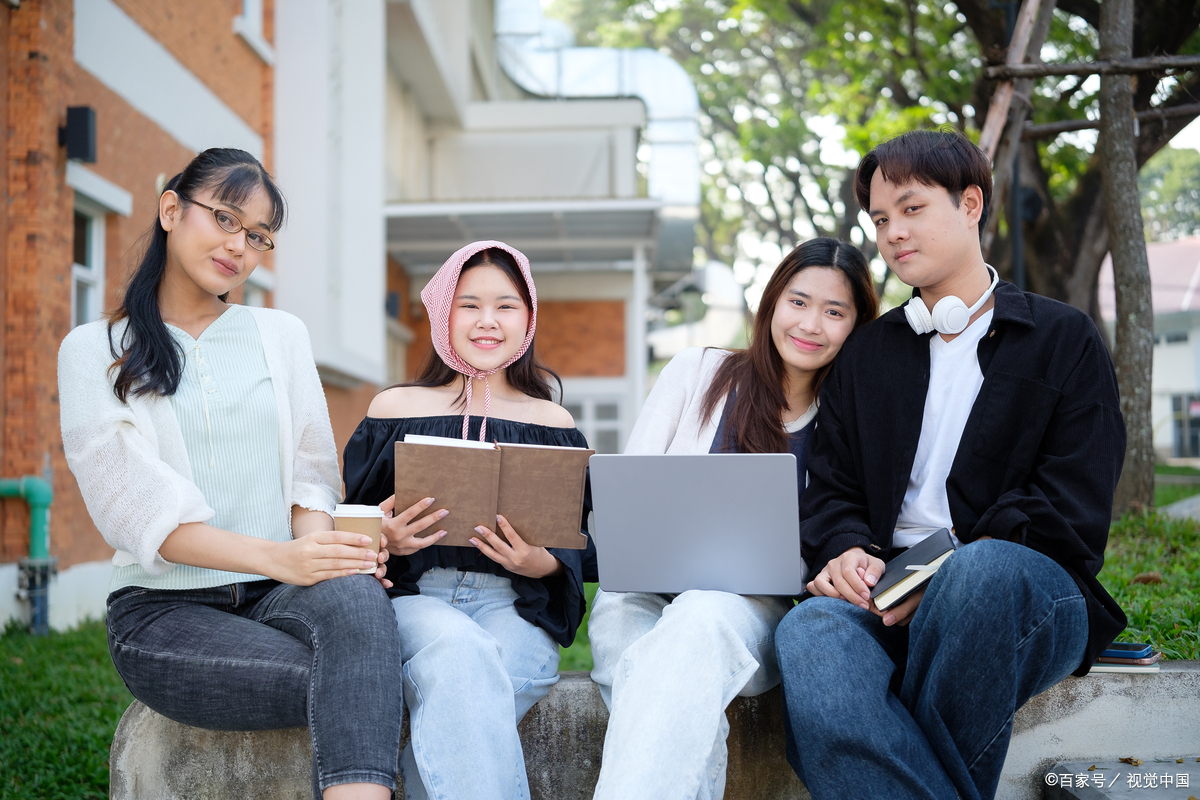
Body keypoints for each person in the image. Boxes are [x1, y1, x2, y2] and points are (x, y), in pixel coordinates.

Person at [775, 130, 1128, 800]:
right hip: (885, 591)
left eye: (911, 209)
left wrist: (941, 572)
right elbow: (834, 488)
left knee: (980, 573)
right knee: (811, 629)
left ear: (971, 204)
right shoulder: (868, 355)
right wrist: (847, 549)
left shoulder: (1063, 339)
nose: (892, 233)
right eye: (880, 219)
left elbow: (1073, 509)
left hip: (1022, 587)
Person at [58, 149, 403, 800]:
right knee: (366, 675)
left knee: (359, 600)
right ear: (170, 209)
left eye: (258, 237)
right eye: (224, 217)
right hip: (164, 612)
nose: (238, 245)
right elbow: (141, 515)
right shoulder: (93, 351)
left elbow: (309, 476)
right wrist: (288, 558)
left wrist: (321, 552)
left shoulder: (281, 335)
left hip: (278, 589)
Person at [587, 238, 879, 800]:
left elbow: (837, 535)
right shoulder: (697, 373)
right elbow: (628, 495)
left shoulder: (846, 421)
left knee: (698, 619)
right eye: (798, 301)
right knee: (663, 688)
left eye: (834, 311)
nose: (811, 324)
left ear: (855, 325)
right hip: (640, 593)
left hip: (748, 613)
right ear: (771, 303)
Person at [341, 240, 591, 800]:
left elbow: (583, 540)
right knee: (459, 654)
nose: (487, 321)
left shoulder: (552, 420)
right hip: (414, 599)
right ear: (440, 311)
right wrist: (386, 536)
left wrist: (542, 561)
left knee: (465, 690)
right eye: (469, 304)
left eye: (506, 305)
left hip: (513, 604)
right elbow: (349, 525)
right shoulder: (393, 408)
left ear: (528, 319)